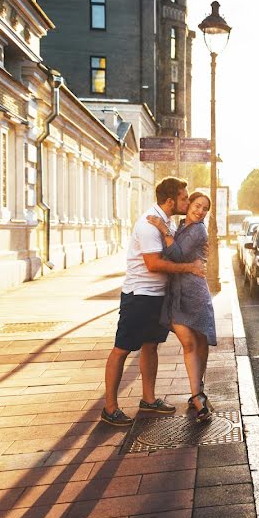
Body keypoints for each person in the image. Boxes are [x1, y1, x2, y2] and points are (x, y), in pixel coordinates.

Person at [102, 177, 206, 426]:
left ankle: (148, 400)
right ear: (171, 201)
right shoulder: (149, 224)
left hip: (157, 296)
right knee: (122, 349)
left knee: (151, 346)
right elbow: (153, 264)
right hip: (140, 295)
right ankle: (110, 408)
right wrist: (189, 267)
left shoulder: (166, 222)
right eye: (184, 197)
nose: (187, 201)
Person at [147, 191, 217, 422]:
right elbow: (175, 254)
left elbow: (175, 254)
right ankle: (198, 394)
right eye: (197, 205)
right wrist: (167, 230)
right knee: (190, 343)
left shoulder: (198, 230)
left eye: (205, 208)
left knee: (199, 340)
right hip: (177, 293)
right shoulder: (181, 224)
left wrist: (163, 230)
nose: (200, 211)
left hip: (194, 293)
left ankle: (198, 392)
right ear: (188, 205)